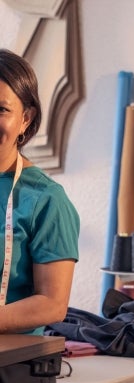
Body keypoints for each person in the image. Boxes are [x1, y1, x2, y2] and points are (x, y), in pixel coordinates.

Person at [0, 48, 80, 334]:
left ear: (26, 118)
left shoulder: (45, 199)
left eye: (1, 109)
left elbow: (52, 303)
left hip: (10, 366)